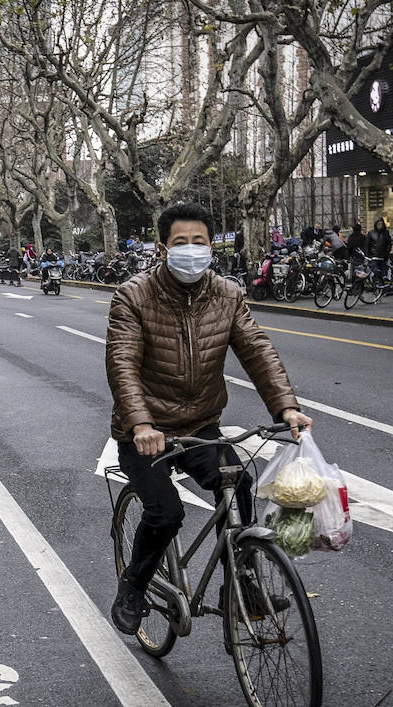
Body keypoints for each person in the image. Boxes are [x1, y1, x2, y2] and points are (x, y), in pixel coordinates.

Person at [105, 202, 314, 635]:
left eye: (198, 242)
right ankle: (133, 586)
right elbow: (122, 363)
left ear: (211, 245)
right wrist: (141, 424)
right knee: (165, 513)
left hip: (201, 425)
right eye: (180, 242)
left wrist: (286, 406)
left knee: (238, 485)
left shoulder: (228, 294)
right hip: (145, 430)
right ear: (163, 249)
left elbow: (257, 350)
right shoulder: (133, 296)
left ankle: (241, 585)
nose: (191, 250)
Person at [366, 218, 392, 284]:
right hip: (373, 256)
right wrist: (368, 256)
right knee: (376, 272)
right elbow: (367, 245)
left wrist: (387, 251)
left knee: (383, 273)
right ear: (376, 224)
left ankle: (382, 288)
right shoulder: (371, 233)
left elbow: (389, 243)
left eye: (381, 224)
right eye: (379, 224)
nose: (380, 225)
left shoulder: (386, 233)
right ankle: (375, 286)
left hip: (383, 257)